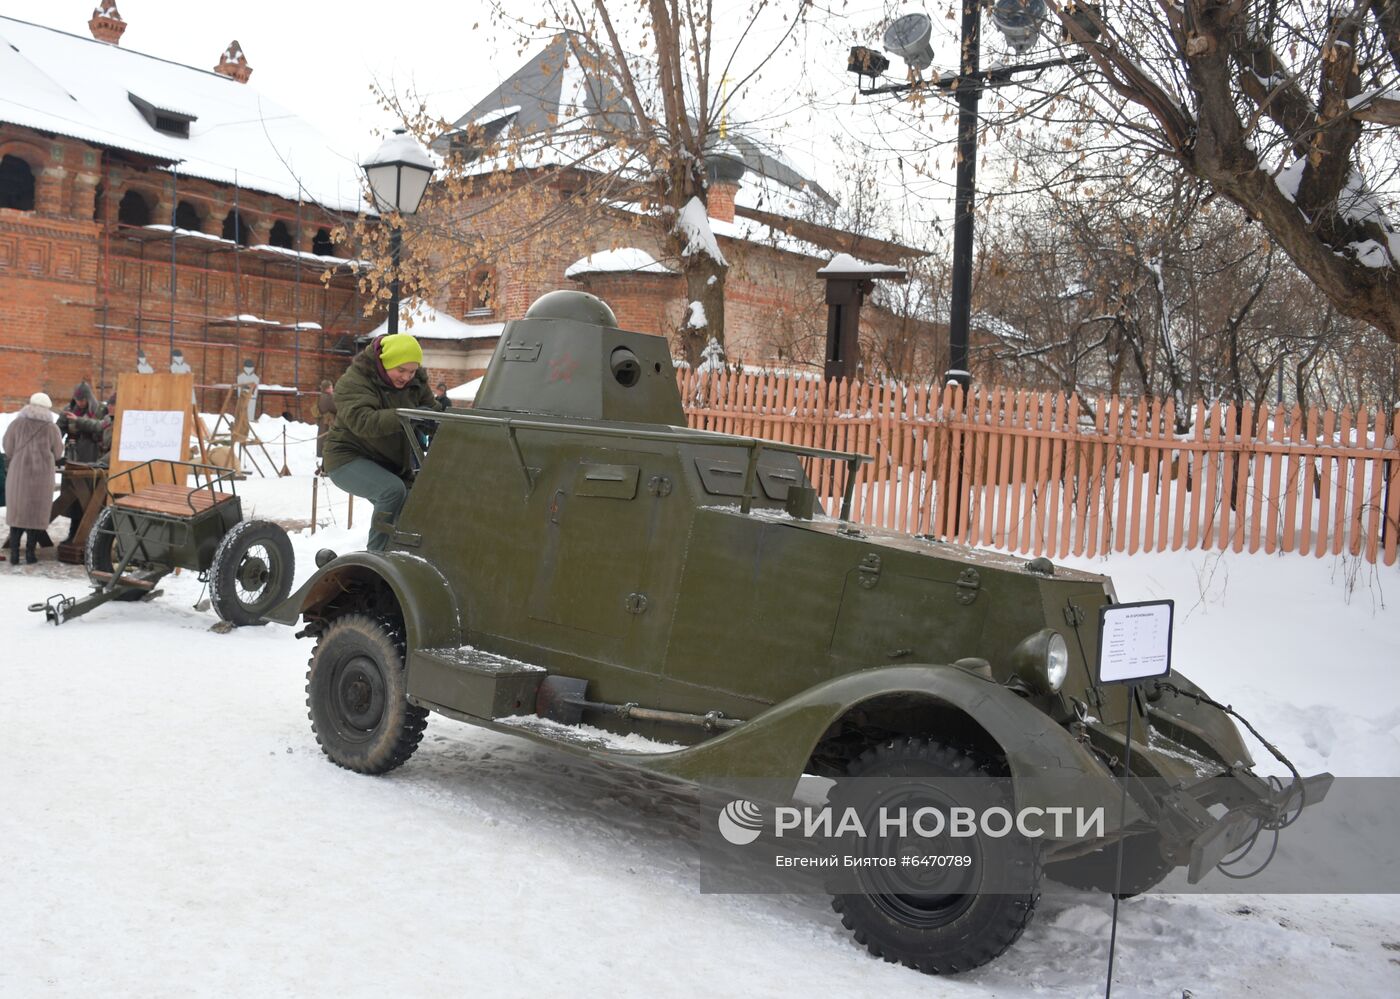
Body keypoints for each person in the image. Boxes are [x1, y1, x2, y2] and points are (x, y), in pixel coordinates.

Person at [323, 333, 440, 551]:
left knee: (421, 504)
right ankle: (376, 558)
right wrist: (410, 415)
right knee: (392, 491)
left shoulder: (416, 382)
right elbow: (363, 421)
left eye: (412, 371)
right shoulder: (355, 380)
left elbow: (432, 411)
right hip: (347, 458)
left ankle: (404, 556)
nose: (406, 377)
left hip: (391, 462)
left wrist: (435, 421)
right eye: (401, 370)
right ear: (385, 363)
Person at [3, 393, 64, 566]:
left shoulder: (16, 424)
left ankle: (14, 554)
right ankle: (30, 554)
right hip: (42, 477)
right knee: (36, 516)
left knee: (17, 515)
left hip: (18, 475)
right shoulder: (52, 428)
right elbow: (58, 453)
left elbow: (7, 447)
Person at [56, 381, 107, 464]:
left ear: (88, 398)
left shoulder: (100, 410)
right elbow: (59, 430)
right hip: (73, 451)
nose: (79, 403)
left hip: (93, 452)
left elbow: (101, 428)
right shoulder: (69, 409)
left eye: (83, 400)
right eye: (77, 400)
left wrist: (78, 420)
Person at [315, 379, 336, 460]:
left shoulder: (322, 396)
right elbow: (335, 408)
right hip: (327, 423)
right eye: (331, 387)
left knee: (323, 440)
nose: (332, 389)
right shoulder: (328, 397)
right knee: (326, 441)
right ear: (326, 388)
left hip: (323, 422)